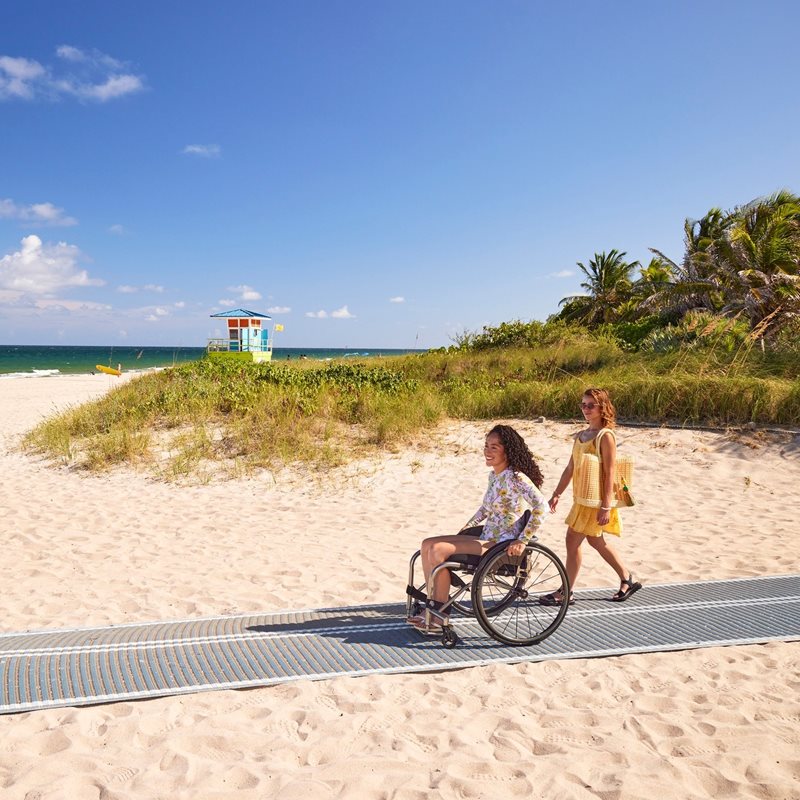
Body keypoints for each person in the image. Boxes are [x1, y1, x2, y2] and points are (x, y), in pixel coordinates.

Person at [408, 424, 547, 631]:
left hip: (501, 544)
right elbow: (485, 509)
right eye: (486, 446)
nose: (487, 451)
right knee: (427, 544)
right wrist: (467, 527)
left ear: (507, 451)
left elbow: (541, 506)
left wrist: (523, 540)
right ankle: (432, 606)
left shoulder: (517, 478)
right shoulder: (494, 476)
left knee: (438, 550)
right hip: (486, 537)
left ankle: (440, 615)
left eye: (494, 447)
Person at [544, 387, 641, 606]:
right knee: (596, 540)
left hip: (596, 501)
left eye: (591, 405)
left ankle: (566, 591)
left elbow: (610, 472)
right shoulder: (581, 435)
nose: (586, 409)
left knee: (572, 540)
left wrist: (606, 506)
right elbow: (570, 467)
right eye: (583, 405)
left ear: (602, 407)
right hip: (582, 499)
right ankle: (627, 578)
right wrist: (557, 494)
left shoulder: (605, 436)